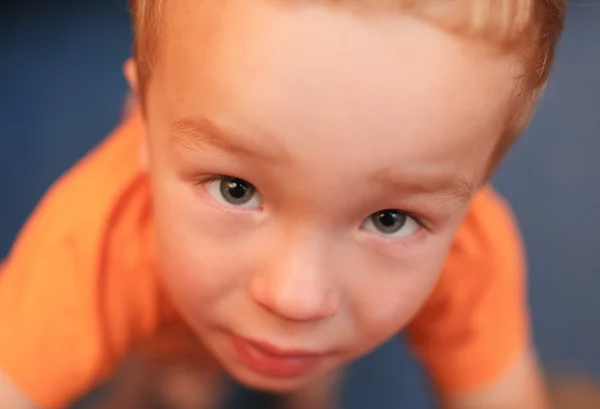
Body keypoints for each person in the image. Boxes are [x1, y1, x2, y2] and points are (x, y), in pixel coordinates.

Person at [0, 1, 566, 408]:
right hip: (151, 303)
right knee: (171, 382)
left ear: (479, 183)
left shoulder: (472, 254)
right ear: (144, 128)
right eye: (235, 188)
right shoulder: (92, 242)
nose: (297, 297)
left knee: (308, 367)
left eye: (389, 219)